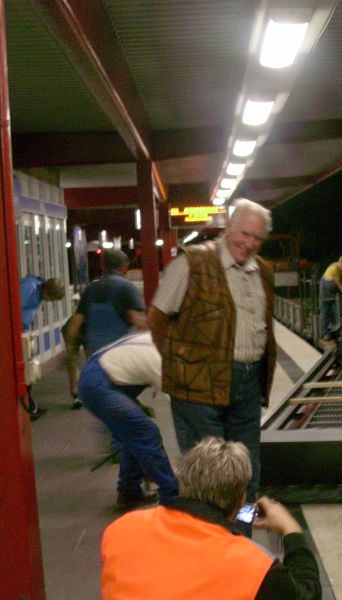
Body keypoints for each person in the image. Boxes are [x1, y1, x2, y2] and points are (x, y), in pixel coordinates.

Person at [147, 198, 277, 505]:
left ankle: (242, 534)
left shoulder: (264, 271)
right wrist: (181, 368)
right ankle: (210, 545)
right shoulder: (191, 262)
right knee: (206, 475)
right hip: (198, 390)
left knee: (248, 472)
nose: (249, 243)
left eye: (257, 238)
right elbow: (157, 320)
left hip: (248, 384)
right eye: (244, 233)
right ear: (228, 225)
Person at [101, 436, 321, 600]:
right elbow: (308, 594)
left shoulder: (121, 528)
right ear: (239, 503)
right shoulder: (253, 567)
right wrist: (291, 531)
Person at [78, 331, 179, 509]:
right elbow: (180, 405)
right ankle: (172, 495)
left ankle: (129, 492)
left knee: (133, 433)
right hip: (99, 385)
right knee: (146, 432)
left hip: (99, 377)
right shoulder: (160, 359)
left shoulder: (156, 338)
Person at [66, 248, 146, 357]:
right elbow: (136, 319)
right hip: (120, 352)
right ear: (123, 266)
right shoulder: (126, 287)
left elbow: (76, 321)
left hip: (95, 353)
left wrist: (70, 347)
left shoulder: (91, 288)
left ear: (102, 266)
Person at [19, 275, 66, 419]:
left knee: (28, 372)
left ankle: (30, 407)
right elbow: (15, 306)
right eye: (51, 299)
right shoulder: (30, 287)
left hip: (24, 331)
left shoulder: (36, 289)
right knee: (24, 372)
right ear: (47, 292)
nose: (50, 302)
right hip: (18, 332)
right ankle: (28, 408)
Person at [319, 255, 342, 340]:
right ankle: (326, 332)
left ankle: (337, 331)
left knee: (337, 310)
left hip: (335, 291)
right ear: (339, 263)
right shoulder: (334, 269)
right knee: (325, 311)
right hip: (326, 290)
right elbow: (340, 286)